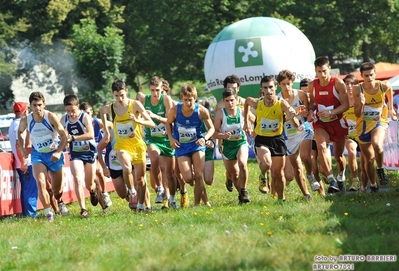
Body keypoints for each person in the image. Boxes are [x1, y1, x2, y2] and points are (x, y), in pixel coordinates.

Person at [244, 75, 304, 203]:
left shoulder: (281, 103)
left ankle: (281, 199)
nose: (269, 90)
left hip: (277, 140)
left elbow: (295, 124)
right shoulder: (258, 103)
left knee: (278, 174)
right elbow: (247, 101)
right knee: (266, 164)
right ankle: (262, 175)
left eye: (271, 87)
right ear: (262, 89)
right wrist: (246, 122)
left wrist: (292, 115)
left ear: (275, 87)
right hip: (261, 139)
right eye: (265, 88)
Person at [100, 79, 155, 212]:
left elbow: (151, 123)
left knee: (141, 180)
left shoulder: (135, 104)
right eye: (116, 96)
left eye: (122, 95)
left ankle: (141, 205)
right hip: (122, 146)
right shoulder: (112, 108)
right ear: (113, 94)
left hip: (137, 145)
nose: (119, 98)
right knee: (126, 166)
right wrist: (107, 132)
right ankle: (132, 192)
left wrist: (137, 120)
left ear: (126, 92)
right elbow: (102, 111)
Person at [18, 92, 68, 222]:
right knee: (40, 183)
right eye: (34, 105)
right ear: (30, 106)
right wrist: (23, 148)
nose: (37, 108)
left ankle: (60, 202)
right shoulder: (26, 120)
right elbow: (20, 132)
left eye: (40, 105)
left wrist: (58, 152)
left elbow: (64, 136)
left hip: (54, 155)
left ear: (44, 104)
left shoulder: (50, 116)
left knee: (57, 191)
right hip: (38, 155)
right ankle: (48, 213)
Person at [166, 83, 215, 207]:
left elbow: (212, 128)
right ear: (181, 98)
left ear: (195, 98)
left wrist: (205, 138)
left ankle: (197, 205)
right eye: (185, 100)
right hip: (181, 147)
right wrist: (171, 138)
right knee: (188, 178)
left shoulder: (202, 111)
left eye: (191, 100)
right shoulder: (175, 110)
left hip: (197, 145)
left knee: (198, 176)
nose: (188, 103)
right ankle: (206, 200)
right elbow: (168, 124)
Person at [307, 56, 349, 193]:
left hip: (337, 123)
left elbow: (346, 105)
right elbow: (312, 103)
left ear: (329, 68)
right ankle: (331, 180)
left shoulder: (338, 83)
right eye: (319, 71)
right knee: (321, 147)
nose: (322, 75)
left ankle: (341, 175)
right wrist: (311, 112)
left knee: (338, 156)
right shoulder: (312, 85)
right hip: (321, 124)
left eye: (324, 71)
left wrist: (331, 112)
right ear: (315, 71)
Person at [353, 62, 397, 192]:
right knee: (369, 160)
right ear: (361, 76)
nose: (369, 78)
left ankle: (380, 169)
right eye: (366, 75)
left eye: (371, 75)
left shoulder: (383, 85)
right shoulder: (357, 89)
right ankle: (373, 184)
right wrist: (361, 104)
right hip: (363, 126)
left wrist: (390, 109)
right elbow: (356, 113)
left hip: (379, 121)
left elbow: (390, 91)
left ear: (375, 74)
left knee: (377, 144)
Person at [277, 70, 320, 199]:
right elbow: (278, 120)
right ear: (279, 84)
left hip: (303, 129)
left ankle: (310, 175)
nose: (286, 87)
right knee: (296, 167)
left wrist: (306, 113)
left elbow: (307, 112)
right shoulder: (278, 100)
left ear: (292, 82)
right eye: (283, 84)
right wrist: (293, 113)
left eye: (288, 83)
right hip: (288, 135)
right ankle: (306, 194)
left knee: (305, 156)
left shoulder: (300, 95)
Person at [137, 76, 175, 208]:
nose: (155, 94)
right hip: (152, 138)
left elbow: (170, 121)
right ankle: (159, 189)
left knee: (169, 172)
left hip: (165, 138)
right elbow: (136, 102)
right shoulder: (143, 99)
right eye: (152, 90)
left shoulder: (166, 100)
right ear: (149, 90)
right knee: (154, 158)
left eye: (158, 90)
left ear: (162, 89)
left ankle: (173, 198)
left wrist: (155, 116)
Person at [61, 94, 100, 217]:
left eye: (73, 111)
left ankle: (93, 191)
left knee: (89, 184)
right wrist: (64, 142)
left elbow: (90, 134)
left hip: (89, 152)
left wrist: (73, 138)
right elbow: (63, 135)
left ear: (78, 106)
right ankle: (83, 209)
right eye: (68, 111)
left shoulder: (85, 117)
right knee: (77, 179)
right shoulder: (64, 119)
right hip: (75, 153)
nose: (71, 114)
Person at [214, 88, 252, 203]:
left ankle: (244, 190)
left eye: (232, 100)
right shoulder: (220, 114)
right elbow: (214, 132)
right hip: (227, 146)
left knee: (242, 164)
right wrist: (223, 135)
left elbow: (254, 120)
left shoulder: (242, 111)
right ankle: (240, 194)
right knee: (234, 174)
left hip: (241, 142)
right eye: (227, 101)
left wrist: (249, 125)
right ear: (223, 101)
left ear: (236, 100)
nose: (230, 103)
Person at [79, 102, 113, 209]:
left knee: (99, 171)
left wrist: (107, 135)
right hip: (84, 152)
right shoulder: (79, 123)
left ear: (92, 112)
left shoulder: (97, 122)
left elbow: (112, 125)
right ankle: (96, 195)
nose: (87, 116)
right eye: (84, 114)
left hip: (97, 150)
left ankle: (104, 192)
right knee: (93, 178)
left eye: (88, 113)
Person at [9, 102, 38, 217]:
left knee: (26, 189)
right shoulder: (19, 125)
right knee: (30, 190)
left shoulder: (12, 124)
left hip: (20, 162)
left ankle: (28, 214)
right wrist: (24, 162)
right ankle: (31, 215)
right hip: (26, 162)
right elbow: (18, 144)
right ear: (25, 111)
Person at [300, 78, 326, 196]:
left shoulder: (318, 102)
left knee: (323, 169)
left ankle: (328, 176)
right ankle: (322, 194)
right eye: (304, 91)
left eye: (308, 92)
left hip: (321, 135)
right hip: (308, 135)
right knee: (314, 168)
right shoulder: (299, 104)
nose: (307, 94)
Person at [342, 74, 362, 191]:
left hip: (363, 134)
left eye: (352, 84)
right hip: (349, 135)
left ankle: (368, 182)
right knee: (352, 152)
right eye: (347, 84)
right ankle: (355, 181)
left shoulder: (361, 98)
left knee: (366, 162)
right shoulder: (341, 100)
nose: (349, 86)